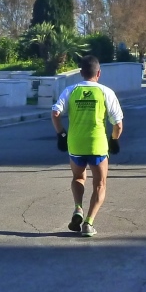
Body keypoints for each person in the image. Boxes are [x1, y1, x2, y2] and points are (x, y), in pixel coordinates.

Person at [51, 55, 124, 237]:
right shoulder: (106, 92)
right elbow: (118, 124)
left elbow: (55, 113)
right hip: (97, 145)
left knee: (78, 177)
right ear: (98, 73)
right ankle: (88, 223)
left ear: (81, 72)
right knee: (100, 183)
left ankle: (78, 208)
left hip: (75, 143)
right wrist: (114, 140)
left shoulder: (71, 90)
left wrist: (61, 134)